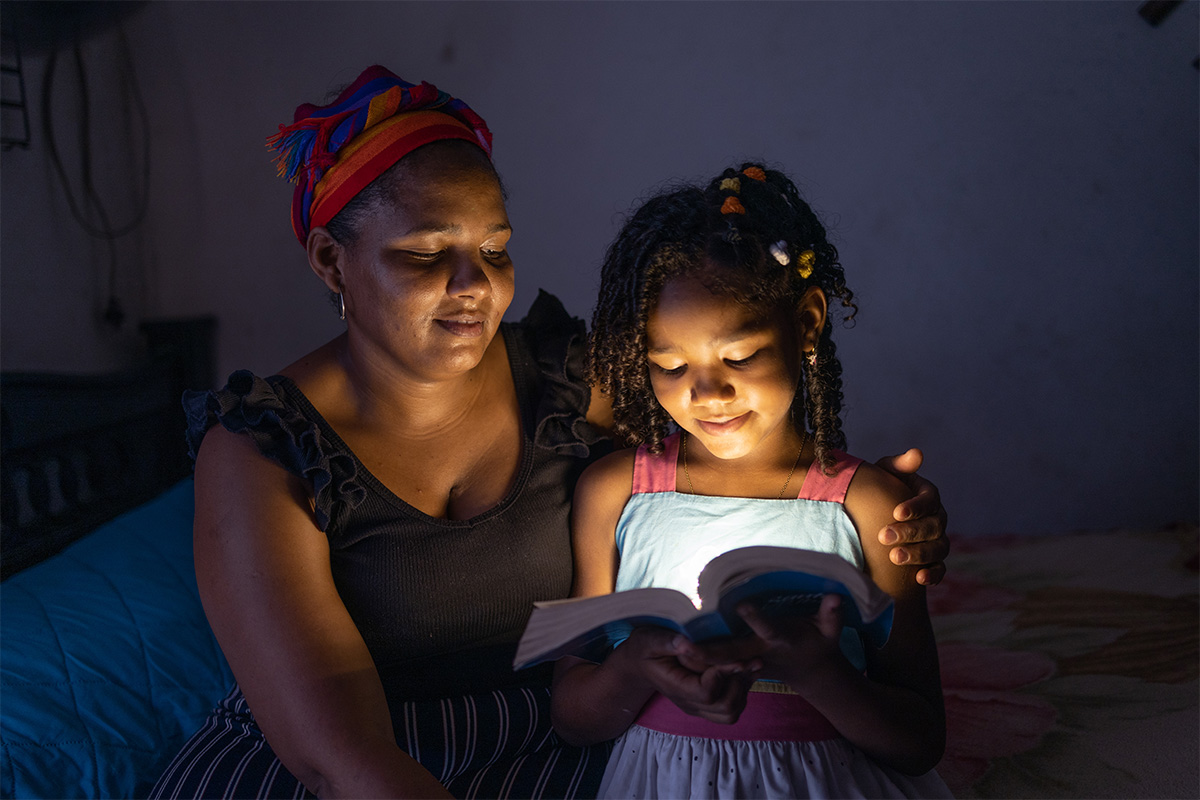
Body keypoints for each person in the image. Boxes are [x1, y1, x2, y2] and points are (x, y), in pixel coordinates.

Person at [150, 66, 949, 799]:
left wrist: (887, 515)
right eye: (429, 254)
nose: (476, 287)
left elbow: (735, 429)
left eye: (494, 249)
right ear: (330, 261)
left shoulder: (566, 380)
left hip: (543, 745)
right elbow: (334, 756)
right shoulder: (265, 448)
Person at [550, 164, 953, 798]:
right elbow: (572, 719)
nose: (707, 392)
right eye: (670, 364)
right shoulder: (613, 494)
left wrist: (821, 676)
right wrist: (635, 664)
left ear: (808, 323)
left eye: (739, 356)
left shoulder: (868, 507)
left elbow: (920, 739)